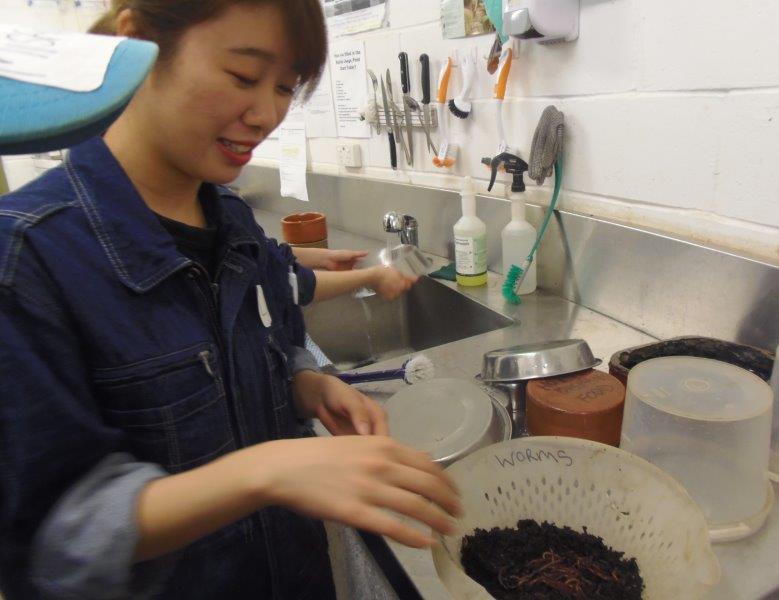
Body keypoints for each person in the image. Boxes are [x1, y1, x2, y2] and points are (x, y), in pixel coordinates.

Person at [0, 2, 461, 599]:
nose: (267, 114)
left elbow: (276, 338)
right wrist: (263, 471)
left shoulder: (233, 220)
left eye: (285, 87)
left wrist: (305, 384)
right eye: (244, 76)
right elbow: (55, 539)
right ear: (137, 45)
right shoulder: (27, 255)